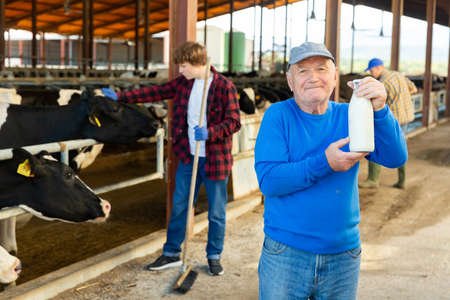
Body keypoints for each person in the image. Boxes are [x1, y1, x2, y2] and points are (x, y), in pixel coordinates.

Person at [254, 42, 407, 300]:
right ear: (290, 81)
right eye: (302, 71)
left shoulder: (351, 114)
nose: (313, 77)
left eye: (322, 69)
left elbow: (395, 157)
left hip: (343, 255)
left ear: (335, 77)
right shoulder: (278, 116)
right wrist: (325, 163)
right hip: (286, 252)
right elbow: (269, 181)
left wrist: (380, 109)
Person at [105, 41, 241, 276]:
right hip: (188, 157)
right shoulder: (185, 83)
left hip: (214, 160)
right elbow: (156, 91)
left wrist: (211, 132)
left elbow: (234, 122)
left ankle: (214, 255)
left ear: (198, 63)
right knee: (179, 207)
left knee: (216, 212)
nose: (180, 70)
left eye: (184, 65)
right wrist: (121, 96)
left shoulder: (223, 87)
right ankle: (171, 254)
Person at [359, 58, 417, 189]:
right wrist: (402, 97)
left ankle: (373, 179)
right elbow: (414, 89)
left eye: (371, 70)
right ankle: (402, 181)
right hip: (407, 115)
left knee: (375, 144)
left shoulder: (383, 83)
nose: (371, 73)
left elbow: (376, 103)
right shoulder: (398, 74)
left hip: (394, 118)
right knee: (400, 146)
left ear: (378, 68)